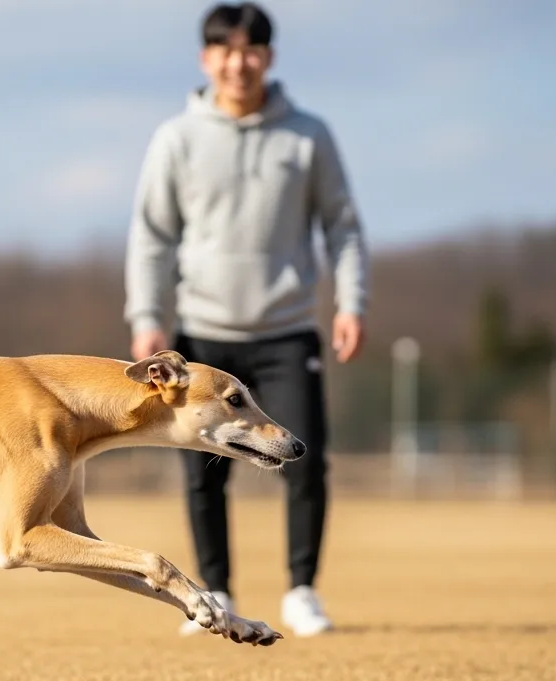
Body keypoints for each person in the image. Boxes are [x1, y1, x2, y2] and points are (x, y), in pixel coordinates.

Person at [123, 2, 368, 637]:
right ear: (207, 59)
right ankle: (215, 590)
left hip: (287, 329)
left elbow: (341, 227)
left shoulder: (307, 135)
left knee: (305, 459)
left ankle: (302, 590)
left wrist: (351, 303)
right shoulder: (176, 138)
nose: (240, 62)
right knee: (199, 465)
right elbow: (152, 236)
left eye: (252, 49)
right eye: (226, 51)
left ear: (269, 56)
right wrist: (148, 316)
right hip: (202, 334)